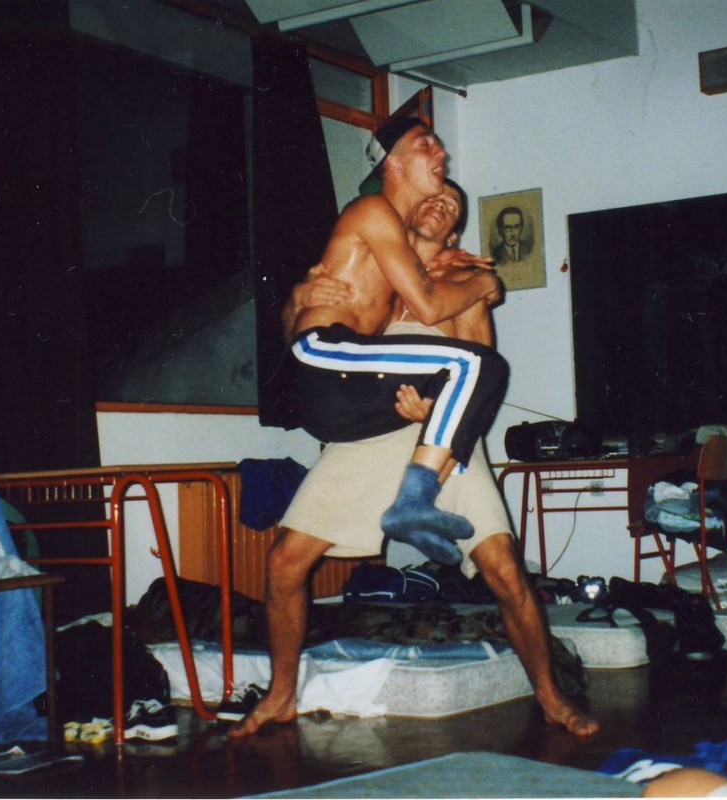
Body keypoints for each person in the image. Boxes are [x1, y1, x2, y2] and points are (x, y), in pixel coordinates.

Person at [229, 180, 599, 739]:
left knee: (504, 571)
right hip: (372, 433)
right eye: (434, 195)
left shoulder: (462, 281)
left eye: (452, 205)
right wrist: (297, 297)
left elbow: (481, 363)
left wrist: (433, 410)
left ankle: (550, 697)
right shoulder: (378, 272)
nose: (440, 202)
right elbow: (305, 337)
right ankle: (281, 696)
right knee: (284, 564)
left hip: (442, 439)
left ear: (454, 232)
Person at [283, 116, 508, 566]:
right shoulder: (372, 210)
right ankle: (414, 501)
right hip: (322, 359)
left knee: (473, 369)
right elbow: (428, 306)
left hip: (343, 395)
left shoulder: (393, 261)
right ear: (393, 164)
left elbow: (416, 288)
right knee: (477, 365)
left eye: (451, 208)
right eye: (426, 144)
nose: (441, 152)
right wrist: (485, 283)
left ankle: (419, 503)